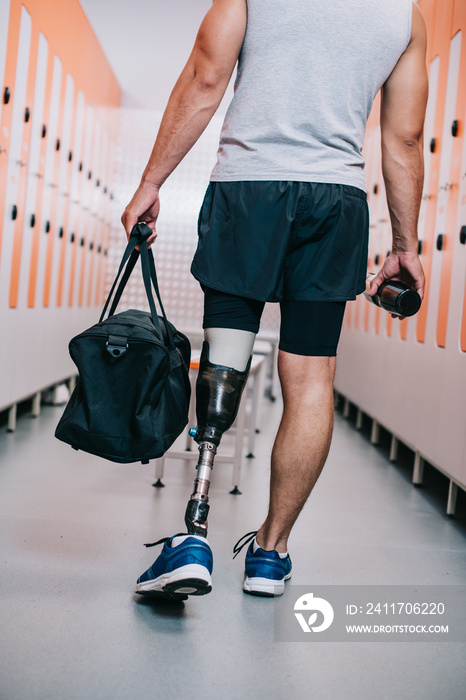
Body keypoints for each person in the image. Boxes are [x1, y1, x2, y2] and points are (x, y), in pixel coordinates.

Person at [121, 0, 428, 600]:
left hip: (248, 193)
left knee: (225, 358)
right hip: (336, 202)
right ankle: (271, 552)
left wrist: (152, 181)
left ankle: (194, 536)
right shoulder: (404, 16)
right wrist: (405, 245)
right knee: (311, 378)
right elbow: (406, 137)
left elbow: (207, 79)